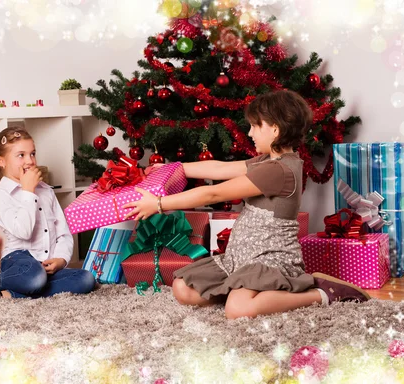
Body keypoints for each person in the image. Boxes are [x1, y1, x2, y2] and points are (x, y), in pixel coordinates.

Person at [123, 90, 370, 319]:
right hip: (240, 258)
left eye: (255, 126)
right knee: (183, 289)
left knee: (237, 311)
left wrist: (159, 203)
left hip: (269, 260)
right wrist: (176, 168)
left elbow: (213, 193)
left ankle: (321, 293)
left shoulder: (279, 170)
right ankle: (243, 293)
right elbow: (219, 168)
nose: (250, 133)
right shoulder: (267, 161)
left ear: (275, 129)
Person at [0, 127, 96, 306]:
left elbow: (63, 233)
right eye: (21, 155)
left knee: (86, 279)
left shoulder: (47, 191)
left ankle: (3, 295)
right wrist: (28, 190)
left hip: (45, 266)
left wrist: (61, 259)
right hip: (18, 262)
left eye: (32, 154)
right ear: (1, 161)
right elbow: (23, 231)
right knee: (34, 278)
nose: (30, 161)